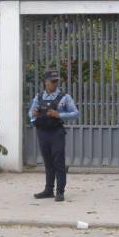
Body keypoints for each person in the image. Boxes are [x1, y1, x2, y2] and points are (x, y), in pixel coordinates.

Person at [28, 69, 79, 202]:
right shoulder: (38, 97)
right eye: (52, 81)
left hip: (56, 133)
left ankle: (60, 192)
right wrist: (33, 116)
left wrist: (59, 115)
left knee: (58, 162)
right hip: (42, 132)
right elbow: (30, 114)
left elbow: (75, 113)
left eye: (56, 81)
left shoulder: (64, 97)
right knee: (48, 162)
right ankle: (48, 190)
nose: (55, 84)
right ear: (45, 82)